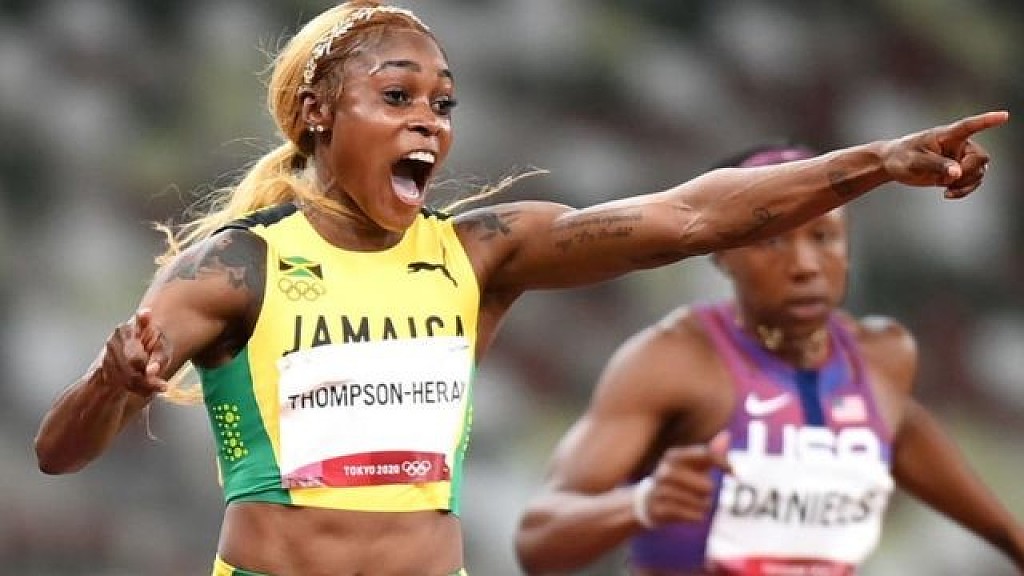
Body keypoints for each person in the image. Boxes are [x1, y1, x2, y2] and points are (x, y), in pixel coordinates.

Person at [31, 0, 1006, 573]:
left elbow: (691, 218)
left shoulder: (481, 254)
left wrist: (877, 161)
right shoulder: (235, 265)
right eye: (397, 98)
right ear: (318, 113)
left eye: (442, 103)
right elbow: (61, 453)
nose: (429, 122)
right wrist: (112, 384)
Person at [513, 144, 1024, 576]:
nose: (804, 265)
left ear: (848, 248)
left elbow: (905, 434)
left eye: (823, 236)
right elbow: (538, 542)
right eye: (771, 239)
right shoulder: (674, 360)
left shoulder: (883, 359)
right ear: (719, 251)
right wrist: (641, 503)